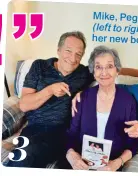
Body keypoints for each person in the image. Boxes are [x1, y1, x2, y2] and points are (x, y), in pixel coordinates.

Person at [6, 31, 95, 168]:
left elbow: (107, 72)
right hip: (35, 128)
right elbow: (23, 105)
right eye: (68, 51)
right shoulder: (39, 66)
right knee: (24, 155)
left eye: (78, 54)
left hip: (64, 131)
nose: (73, 58)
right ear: (58, 50)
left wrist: (84, 94)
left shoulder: (84, 73)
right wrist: (50, 90)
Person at [65, 45, 138, 171]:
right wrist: (72, 156)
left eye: (110, 66)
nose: (104, 72)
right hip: (82, 163)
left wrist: (117, 162)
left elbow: (133, 143)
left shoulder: (128, 101)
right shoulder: (82, 98)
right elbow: (71, 135)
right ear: (93, 72)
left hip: (112, 164)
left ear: (117, 70)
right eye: (98, 67)